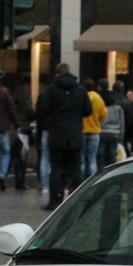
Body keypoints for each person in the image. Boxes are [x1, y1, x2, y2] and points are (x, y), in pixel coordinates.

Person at [34, 63, 91, 211]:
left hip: (57, 135)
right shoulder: (80, 90)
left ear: (57, 74)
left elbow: (42, 110)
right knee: (76, 168)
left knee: (56, 168)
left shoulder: (50, 91)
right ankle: (78, 198)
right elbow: (88, 111)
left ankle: (55, 199)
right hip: (75, 135)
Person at [81, 79, 107, 178]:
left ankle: (81, 182)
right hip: (94, 131)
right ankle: (92, 180)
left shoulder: (82, 97)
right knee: (92, 159)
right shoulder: (98, 98)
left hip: (82, 131)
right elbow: (103, 115)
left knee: (81, 160)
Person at [97, 79, 125, 170]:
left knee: (100, 157)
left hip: (102, 131)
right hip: (114, 132)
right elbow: (122, 121)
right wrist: (121, 136)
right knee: (112, 157)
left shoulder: (99, 102)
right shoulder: (117, 105)